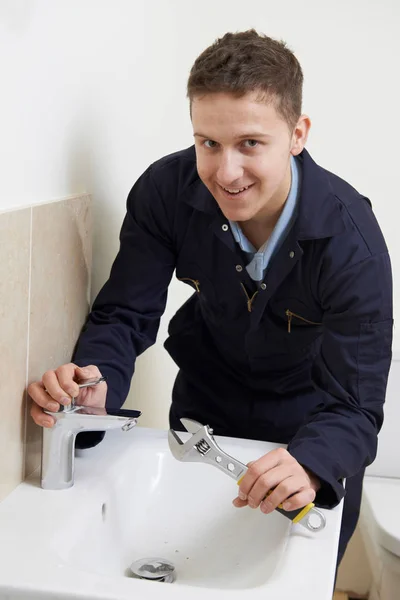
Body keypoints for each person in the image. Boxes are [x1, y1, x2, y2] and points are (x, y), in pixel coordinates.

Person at [28, 29, 393, 570]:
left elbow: (357, 407)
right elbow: (124, 314)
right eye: (208, 143)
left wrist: (314, 462)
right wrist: (94, 381)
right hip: (203, 411)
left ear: (298, 134)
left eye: (250, 143)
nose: (225, 173)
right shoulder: (164, 191)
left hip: (311, 427)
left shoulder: (351, 244)